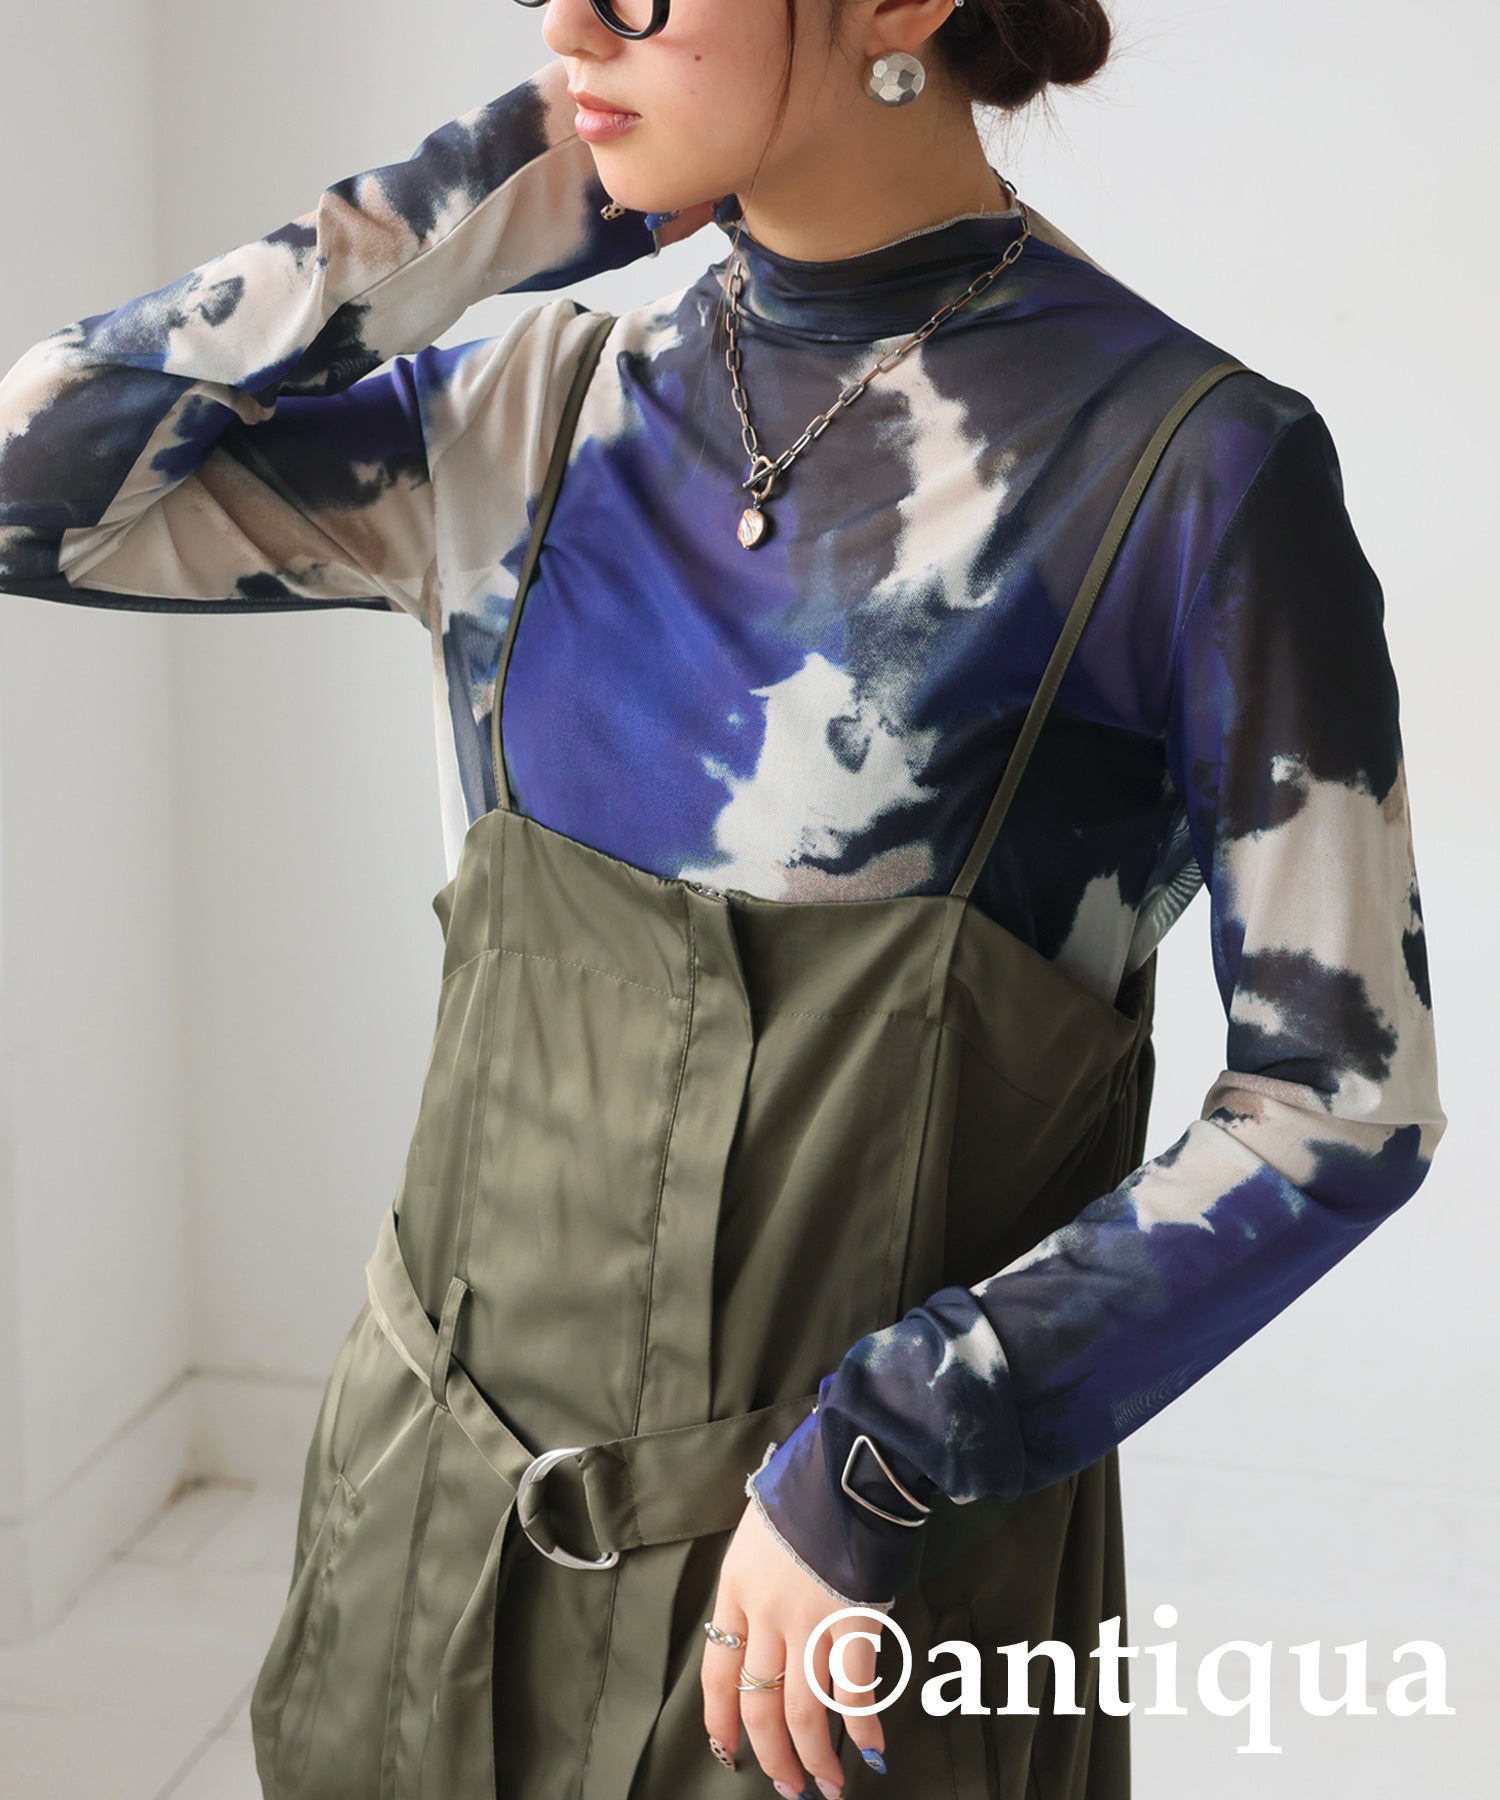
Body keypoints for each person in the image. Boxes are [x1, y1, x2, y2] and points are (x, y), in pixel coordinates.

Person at [0, 1, 1447, 1796]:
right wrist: (488, 202)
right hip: (424, 1559)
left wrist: (899, 1440)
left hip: (828, 1625)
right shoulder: (538, 415)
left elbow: (1341, 1104)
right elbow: (31, 487)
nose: (570, 24)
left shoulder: (1185, 475)